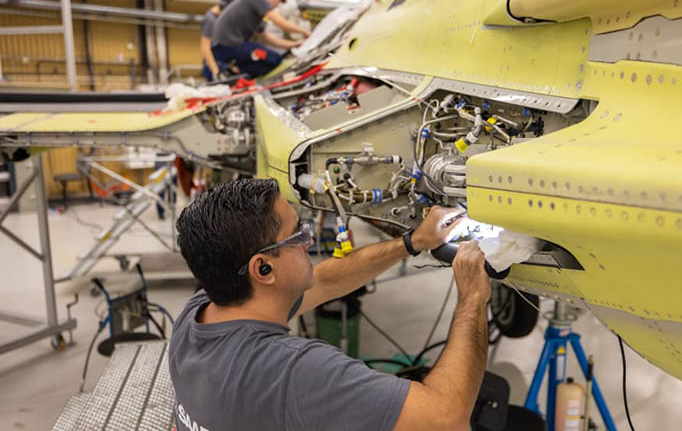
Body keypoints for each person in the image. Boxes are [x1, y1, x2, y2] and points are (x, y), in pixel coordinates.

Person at [170, 178, 492, 430]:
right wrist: (472, 297)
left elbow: (325, 281)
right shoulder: (294, 372)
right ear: (263, 269)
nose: (309, 240)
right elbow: (446, 419)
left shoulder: (199, 312)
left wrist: (413, 242)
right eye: (298, 235)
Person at [210, 0, 311, 79]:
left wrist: (294, 44)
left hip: (224, 49)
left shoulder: (255, 15)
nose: (277, 5)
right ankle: (233, 71)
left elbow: (269, 38)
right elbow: (280, 22)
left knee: (266, 63)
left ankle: (235, 73)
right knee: (274, 59)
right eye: (278, 0)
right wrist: (304, 32)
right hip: (229, 46)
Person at [200, 0, 236, 82]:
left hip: (220, 62)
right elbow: (205, 47)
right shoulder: (210, 20)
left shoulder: (217, 18)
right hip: (213, 66)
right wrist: (216, 72)